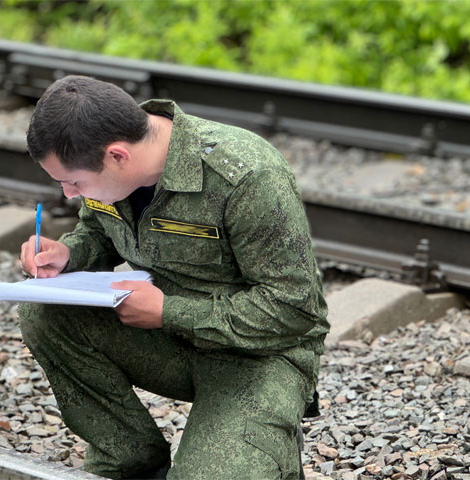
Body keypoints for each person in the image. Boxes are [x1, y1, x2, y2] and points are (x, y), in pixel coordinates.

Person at [17, 75, 329, 480]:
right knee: (43, 309)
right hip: (171, 340)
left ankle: (263, 444)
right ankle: (130, 459)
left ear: (117, 156)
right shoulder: (113, 173)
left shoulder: (247, 175)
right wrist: (69, 255)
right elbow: (98, 233)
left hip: (260, 356)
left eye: (72, 182)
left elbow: (293, 310)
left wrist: (169, 311)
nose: (69, 195)